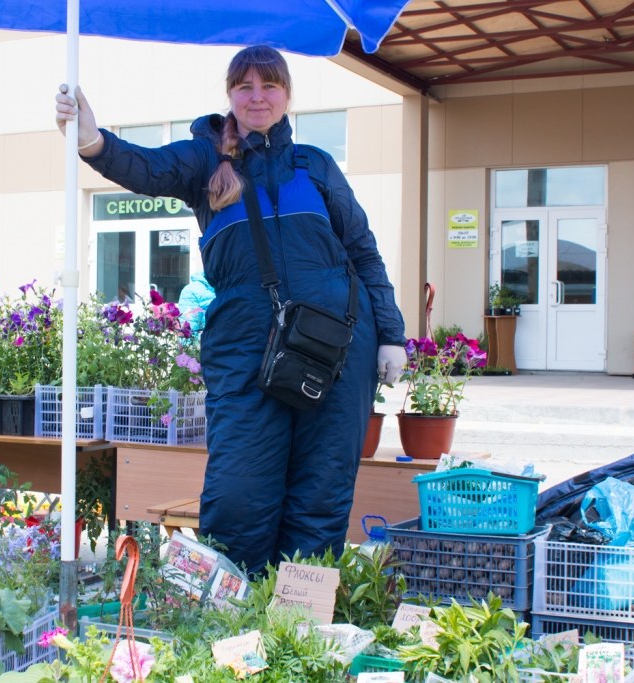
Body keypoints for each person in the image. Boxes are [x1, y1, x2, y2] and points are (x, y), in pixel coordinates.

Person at [56, 46, 408, 574]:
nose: (257, 97)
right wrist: (92, 140)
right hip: (246, 351)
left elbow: (363, 251)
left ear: (287, 95)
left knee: (322, 491)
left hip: (337, 350)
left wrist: (391, 335)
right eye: (245, 86)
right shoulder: (205, 161)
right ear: (230, 94)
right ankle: (232, 623)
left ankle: (298, 623)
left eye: (269, 86)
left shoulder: (315, 166)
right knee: (240, 492)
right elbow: (148, 169)